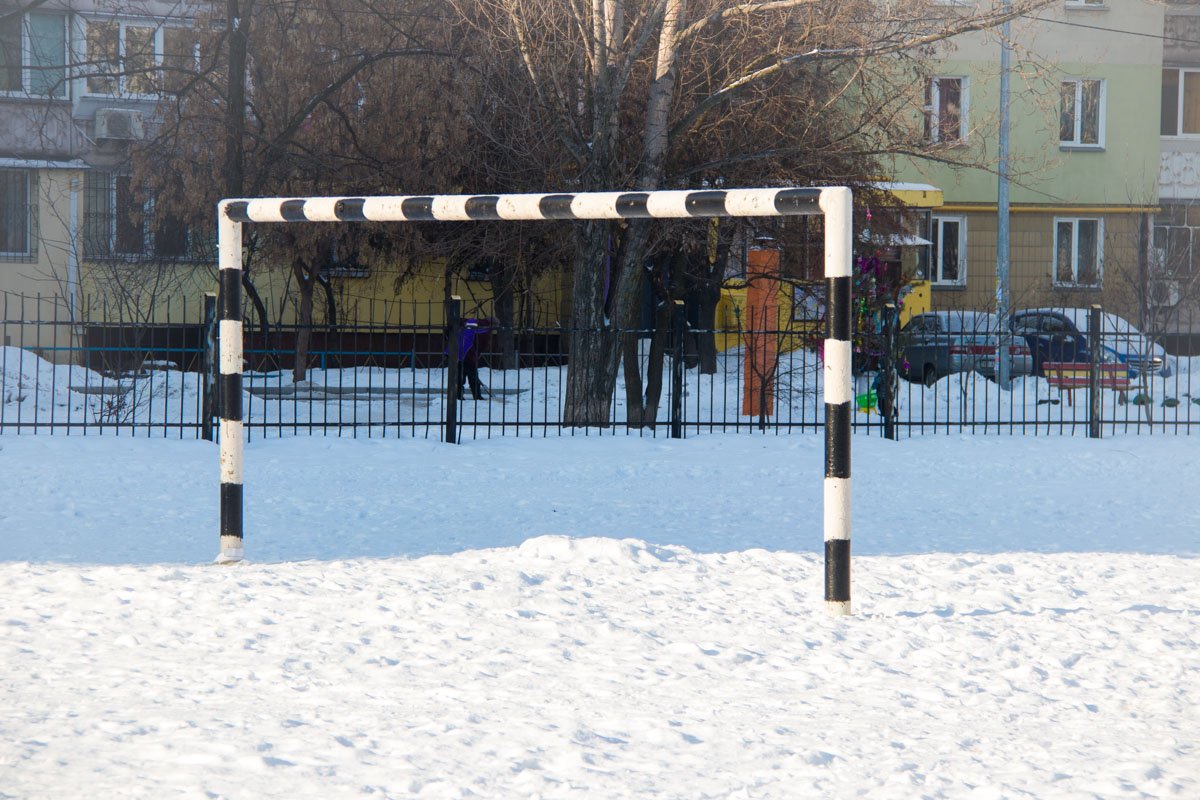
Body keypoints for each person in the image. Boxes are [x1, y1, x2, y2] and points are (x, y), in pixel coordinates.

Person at [454, 317, 492, 400]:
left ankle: (459, 394)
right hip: (470, 354)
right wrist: (477, 353)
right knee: (473, 376)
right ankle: (477, 395)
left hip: (459, 353)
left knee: (461, 375)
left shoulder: (469, 323)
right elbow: (483, 343)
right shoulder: (484, 329)